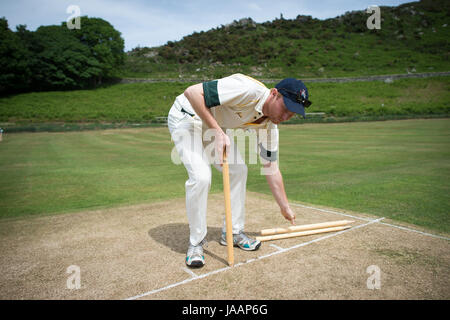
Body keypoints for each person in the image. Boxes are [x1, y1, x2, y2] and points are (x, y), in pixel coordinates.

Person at [167, 73, 311, 268]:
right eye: (286, 108)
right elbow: (192, 93)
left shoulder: (269, 127)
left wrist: (284, 206)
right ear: (274, 94)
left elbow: (271, 168)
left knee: (239, 169)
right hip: (187, 116)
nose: (285, 117)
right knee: (201, 177)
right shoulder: (247, 89)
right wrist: (218, 132)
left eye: (292, 114)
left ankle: (233, 233)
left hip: (212, 125)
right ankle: (196, 242)